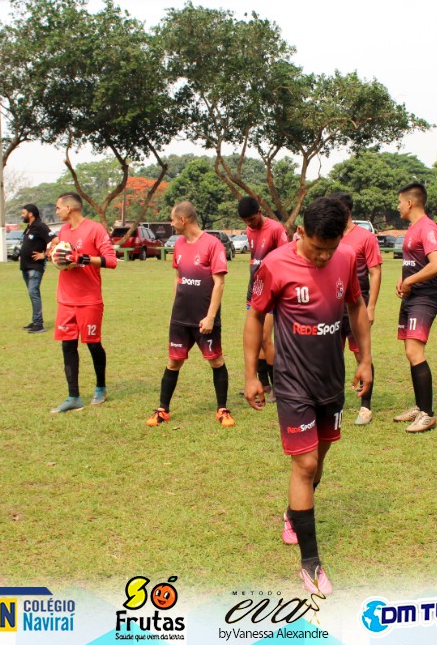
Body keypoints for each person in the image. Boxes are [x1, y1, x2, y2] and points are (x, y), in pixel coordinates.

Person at [245, 196, 372, 596]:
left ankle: (292, 513)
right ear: (300, 232)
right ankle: (311, 563)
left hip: (331, 380)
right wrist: (251, 375)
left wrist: (365, 359)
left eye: (330, 249)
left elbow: (356, 307)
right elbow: (255, 315)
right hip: (292, 381)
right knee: (306, 463)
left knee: (319, 461)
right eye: (317, 248)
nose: (323, 257)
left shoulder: (346, 258)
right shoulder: (275, 264)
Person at [147, 201, 234, 428]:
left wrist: (210, 317)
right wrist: (174, 311)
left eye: (172, 219)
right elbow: (178, 279)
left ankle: (222, 410)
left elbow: (219, 283)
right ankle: (163, 410)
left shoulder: (213, 244)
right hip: (180, 318)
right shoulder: (178, 245)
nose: (171, 223)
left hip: (204, 318)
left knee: (215, 360)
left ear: (183, 220)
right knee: (174, 361)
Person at [47, 192, 117, 413]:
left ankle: (100, 387)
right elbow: (63, 256)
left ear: (69, 208)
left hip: (89, 300)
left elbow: (111, 261)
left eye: (58, 207)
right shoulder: (63, 231)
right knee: (67, 345)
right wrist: (55, 254)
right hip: (66, 300)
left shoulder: (95, 229)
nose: (56, 211)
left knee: (93, 344)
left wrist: (82, 258)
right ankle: (73, 397)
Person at [392, 181, 437, 433]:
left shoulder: (427, 227)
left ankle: (427, 414)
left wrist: (410, 281)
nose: (398, 206)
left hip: (425, 297)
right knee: (410, 352)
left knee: (415, 352)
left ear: (410, 203)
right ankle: (419, 406)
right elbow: (415, 262)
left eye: (400, 202)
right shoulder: (413, 228)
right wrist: (403, 279)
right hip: (411, 297)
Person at [328, 192, 382, 425]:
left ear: (346, 211)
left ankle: (365, 407)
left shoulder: (365, 237)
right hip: (331, 305)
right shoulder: (329, 235)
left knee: (361, 354)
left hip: (356, 305)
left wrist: (371, 307)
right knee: (331, 356)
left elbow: (375, 272)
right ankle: (333, 402)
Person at [239, 196, 288, 401]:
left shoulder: (276, 229)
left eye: (252, 219)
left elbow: (287, 256)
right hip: (254, 287)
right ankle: (263, 383)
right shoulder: (250, 230)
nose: (250, 224)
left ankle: (278, 387)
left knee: (265, 337)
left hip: (271, 289)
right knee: (256, 338)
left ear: (260, 212)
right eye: (246, 221)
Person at [19, 204, 54, 333]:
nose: (21, 215)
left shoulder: (40, 226)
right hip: (26, 266)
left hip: (35, 266)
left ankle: (39, 324)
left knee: (34, 293)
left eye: (23, 213)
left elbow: (55, 240)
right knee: (31, 293)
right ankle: (35, 321)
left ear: (30, 214)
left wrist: (45, 255)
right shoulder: (29, 227)